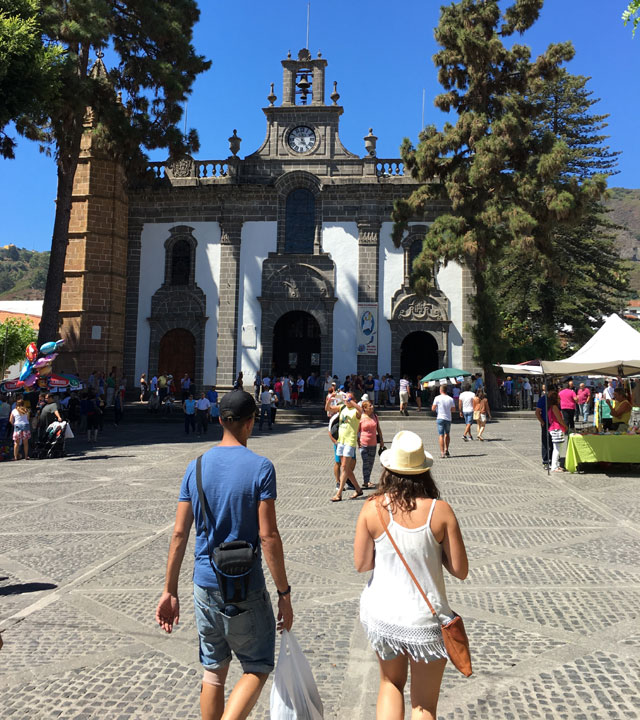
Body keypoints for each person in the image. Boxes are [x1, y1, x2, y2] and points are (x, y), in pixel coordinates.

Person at [155, 390, 293, 720]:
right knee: (257, 665)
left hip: (205, 584)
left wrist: (169, 591)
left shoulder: (196, 467)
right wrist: (284, 593)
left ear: (219, 420)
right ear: (251, 422)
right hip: (246, 585)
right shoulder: (261, 467)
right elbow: (268, 535)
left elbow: (178, 533)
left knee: (213, 671)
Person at [354, 430, 468, 720]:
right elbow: (460, 570)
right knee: (424, 705)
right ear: (424, 472)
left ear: (388, 471)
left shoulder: (372, 508)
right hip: (425, 620)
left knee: (390, 683)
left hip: (384, 614)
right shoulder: (440, 512)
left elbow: (362, 564)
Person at [326, 392, 363, 501]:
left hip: (349, 441)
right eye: (345, 397)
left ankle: (339, 494)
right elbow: (328, 408)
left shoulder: (356, 411)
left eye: (348, 397)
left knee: (344, 468)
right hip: (341, 441)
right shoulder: (342, 407)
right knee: (345, 467)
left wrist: (352, 402)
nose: (346, 399)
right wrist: (330, 399)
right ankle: (358, 489)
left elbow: (362, 411)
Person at [358, 400, 384, 489]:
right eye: (370, 406)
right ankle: (366, 481)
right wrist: (358, 442)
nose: (372, 407)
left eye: (372, 405)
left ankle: (367, 480)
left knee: (371, 463)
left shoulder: (375, 417)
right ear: (365, 408)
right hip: (363, 443)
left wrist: (381, 441)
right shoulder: (361, 418)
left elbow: (379, 430)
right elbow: (357, 431)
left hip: (373, 444)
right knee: (366, 462)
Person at [432, 381, 455, 459]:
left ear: (440, 390)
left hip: (440, 418)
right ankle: (446, 449)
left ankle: (442, 453)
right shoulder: (450, 399)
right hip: (448, 418)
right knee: (447, 434)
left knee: (441, 435)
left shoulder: (437, 398)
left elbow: (433, 408)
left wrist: (437, 408)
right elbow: (453, 410)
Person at [547, 389, 568, 472]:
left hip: (554, 428)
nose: (560, 400)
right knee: (557, 448)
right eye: (559, 398)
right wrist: (565, 426)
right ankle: (554, 466)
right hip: (556, 428)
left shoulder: (550, 407)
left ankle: (556, 465)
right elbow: (559, 419)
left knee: (558, 448)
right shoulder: (554, 407)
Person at [535, 384, 552, 470]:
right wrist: (542, 422)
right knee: (545, 442)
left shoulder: (554, 400)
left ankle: (552, 459)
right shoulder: (543, 399)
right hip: (546, 422)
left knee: (553, 442)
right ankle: (546, 461)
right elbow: (537, 412)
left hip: (553, 423)